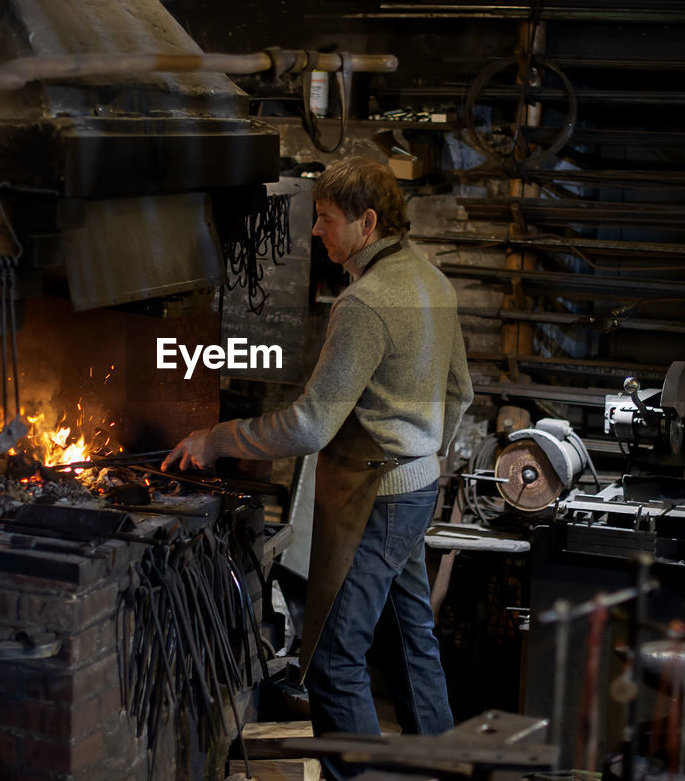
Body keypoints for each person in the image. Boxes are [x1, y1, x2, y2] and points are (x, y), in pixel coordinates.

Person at [163, 155, 473, 748]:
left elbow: (309, 427)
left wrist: (216, 438)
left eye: (326, 218)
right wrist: (421, 452)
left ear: (368, 223)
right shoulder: (432, 280)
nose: (315, 230)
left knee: (332, 663)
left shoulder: (364, 304)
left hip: (375, 499)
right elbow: (461, 391)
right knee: (413, 641)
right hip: (414, 489)